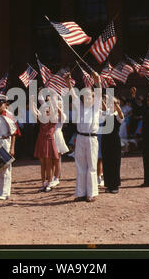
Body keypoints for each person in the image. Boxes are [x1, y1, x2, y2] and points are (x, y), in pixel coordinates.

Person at [65, 70, 102, 202]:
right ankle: (80, 193)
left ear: (93, 98)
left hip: (92, 138)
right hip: (80, 138)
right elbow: (73, 95)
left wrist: (97, 81)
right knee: (80, 165)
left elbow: (99, 93)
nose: (86, 98)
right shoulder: (79, 107)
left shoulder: (96, 107)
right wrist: (68, 83)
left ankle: (91, 193)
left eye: (89, 96)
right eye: (84, 96)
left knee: (91, 165)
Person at [31, 93, 59, 192]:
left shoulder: (53, 119)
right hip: (41, 141)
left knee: (49, 163)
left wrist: (50, 101)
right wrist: (31, 101)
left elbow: (54, 111)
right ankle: (43, 183)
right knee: (42, 163)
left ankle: (50, 182)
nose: (46, 111)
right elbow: (34, 111)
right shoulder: (42, 119)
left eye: (48, 110)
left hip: (49, 141)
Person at [101, 96, 124, 194]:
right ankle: (108, 185)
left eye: (113, 104)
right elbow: (103, 107)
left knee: (115, 163)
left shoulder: (118, 115)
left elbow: (121, 115)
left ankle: (115, 185)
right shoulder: (106, 114)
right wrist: (103, 99)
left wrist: (116, 104)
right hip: (105, 140)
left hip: (115, 141)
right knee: (106, 163)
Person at [50, 99, 69, 188]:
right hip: (50, 137)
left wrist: (55, 104)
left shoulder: (62, 116)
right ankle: (51, 177)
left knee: (57, 159)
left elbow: (61, 114)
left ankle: (57, 178)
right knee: (50, 159)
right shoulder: (50, 115)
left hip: (57, 136)